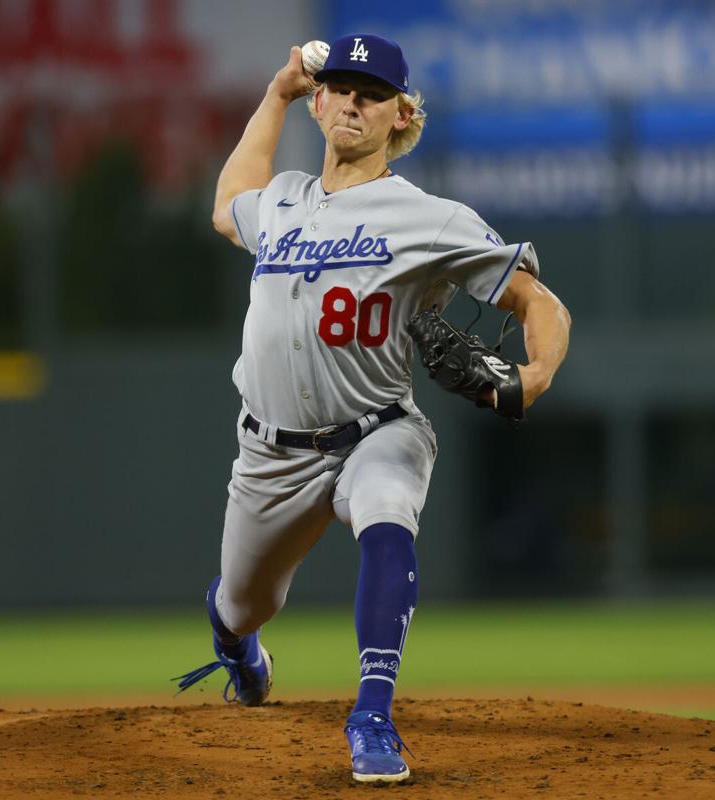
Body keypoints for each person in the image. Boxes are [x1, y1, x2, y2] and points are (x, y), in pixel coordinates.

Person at [173, 33, 571, 783]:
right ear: (321, 102)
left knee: (389, 512)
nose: (354, 100)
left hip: (376, 431)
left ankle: (373, 717)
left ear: (400, 115)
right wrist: (276, 94)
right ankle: (238, 648)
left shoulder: (427, 217)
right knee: (240, 605)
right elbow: (227, 207)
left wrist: (537, 373)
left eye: (374, 92)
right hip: (270, 454)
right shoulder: (284, 199)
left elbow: (537, 300)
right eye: (343, 87)